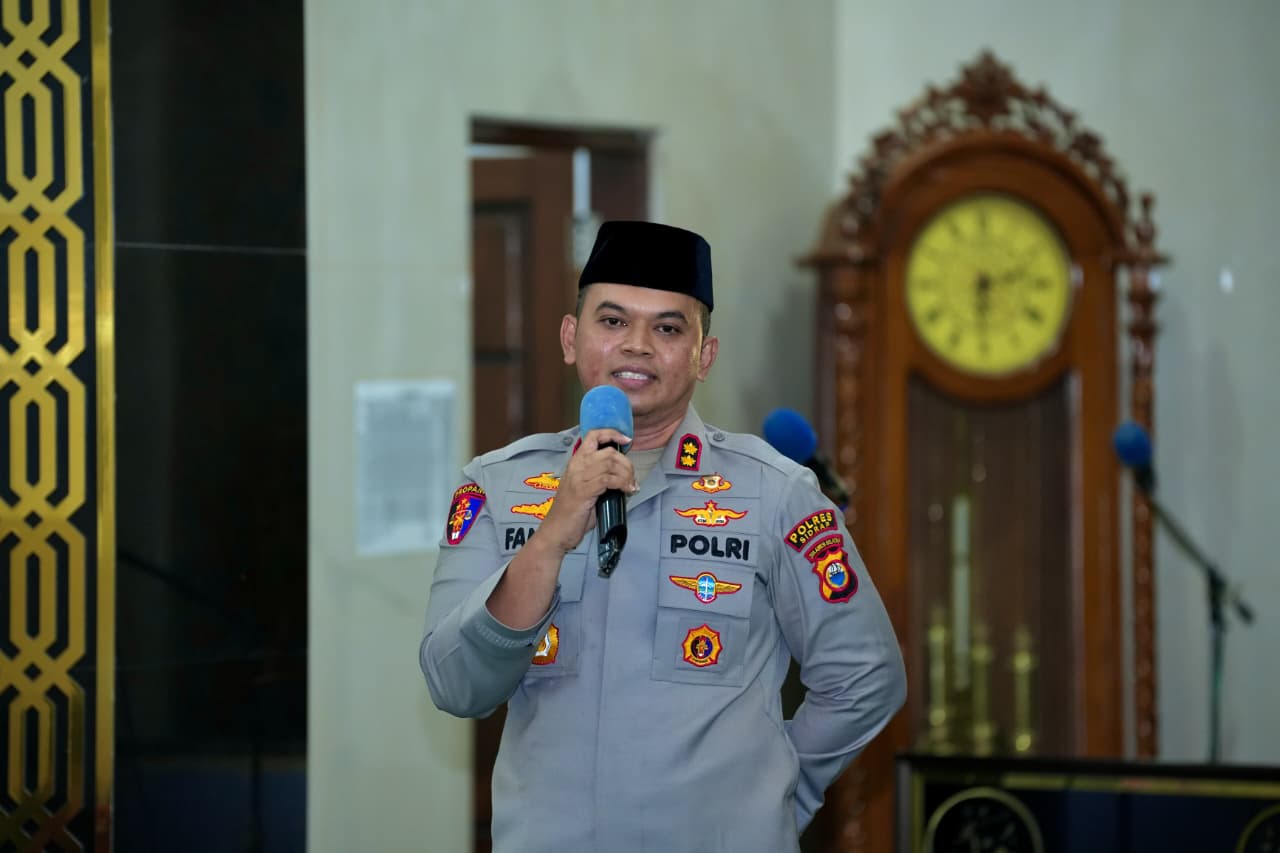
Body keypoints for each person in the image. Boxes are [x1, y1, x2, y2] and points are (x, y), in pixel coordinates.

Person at [421, 220, 906, 853]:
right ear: (570, 338)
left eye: (669, 328)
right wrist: (550, 539)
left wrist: (777, 792)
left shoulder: (777, 493)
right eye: (612, 320)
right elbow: (455, 684)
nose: (637, 345)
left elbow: (864, 675)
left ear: (705, 356)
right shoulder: (495, 484)